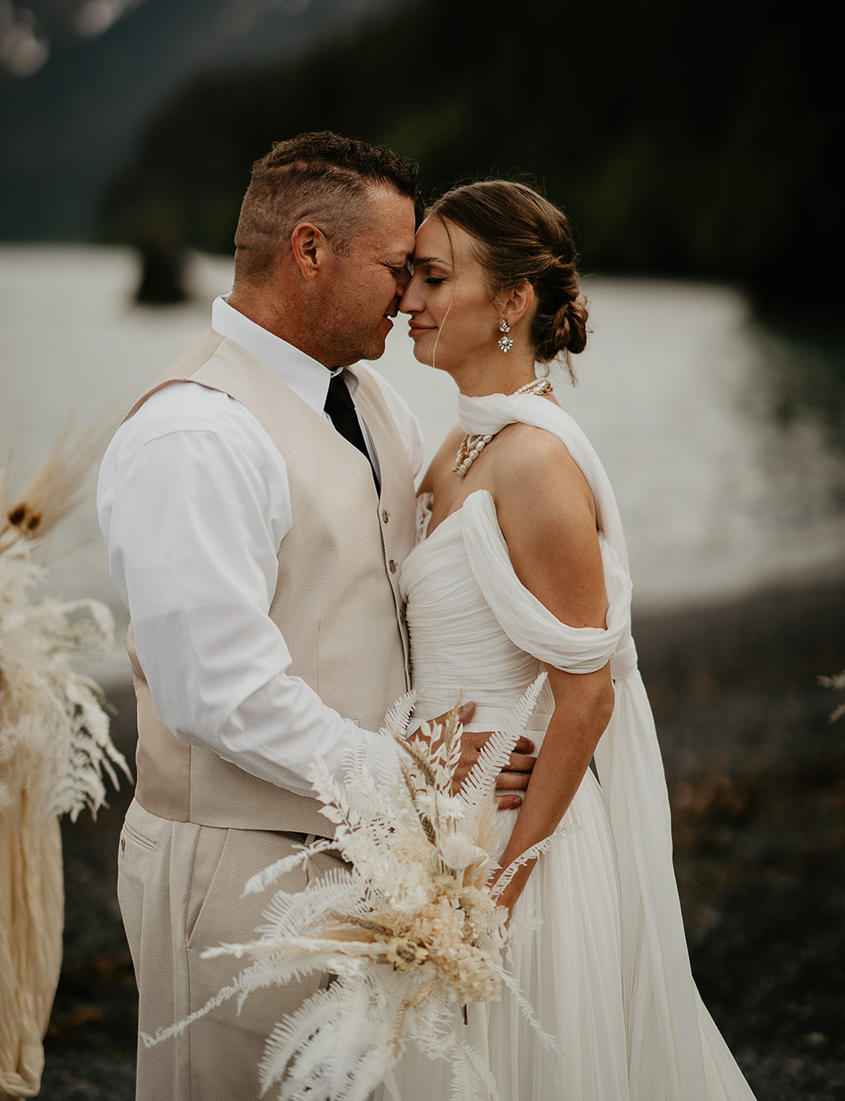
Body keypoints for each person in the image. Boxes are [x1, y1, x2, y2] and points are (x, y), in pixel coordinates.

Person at [96, 133, 534, 1101]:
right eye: (393, 268)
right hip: (237, 872)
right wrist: (415, 779)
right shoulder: (195, 432)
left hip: (373, 849)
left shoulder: (373, 400)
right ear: (307, 249)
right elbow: (220, 690)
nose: (408, 297)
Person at [383, 179, 757, 1099]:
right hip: (440, 820)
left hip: (518, 844)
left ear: (510, 303)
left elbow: (586, 693)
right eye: (408, 277)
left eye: (433, 278)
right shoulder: (460, 445)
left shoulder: (536, 462)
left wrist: (498, 890)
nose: (407, 300)